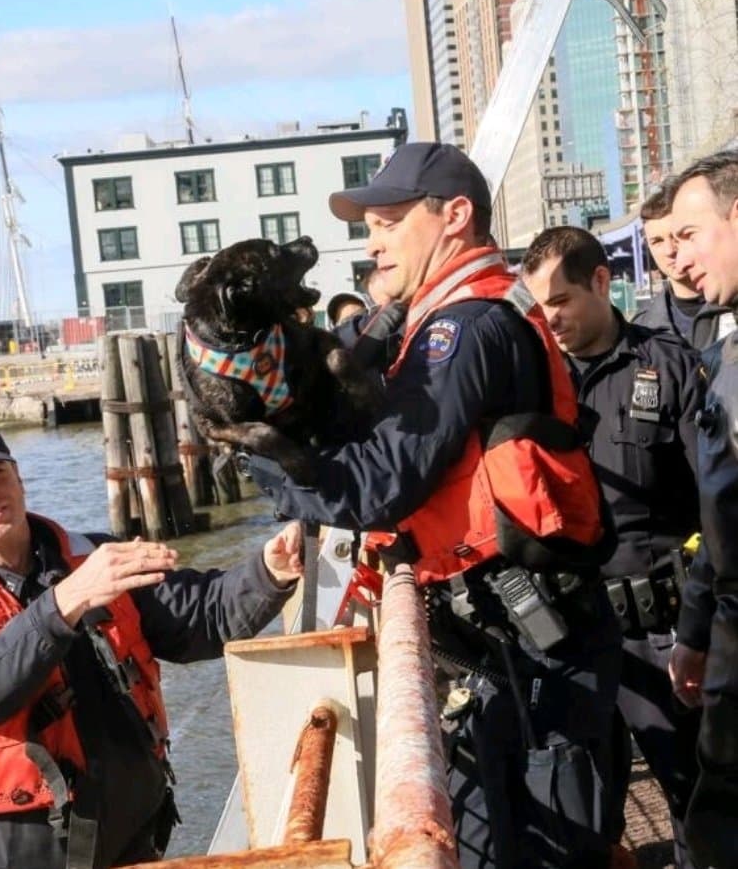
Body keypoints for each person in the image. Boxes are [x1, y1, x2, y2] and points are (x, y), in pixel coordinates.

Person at [247, 141, 622, 867]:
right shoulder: (443, 317)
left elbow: (386, 479)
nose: (372, 240)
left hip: (534, 647)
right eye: (369, 226)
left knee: (546, 848)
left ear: (454, 216)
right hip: (507, 640)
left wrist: (263, 458)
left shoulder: (464, 326)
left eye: (387, 221)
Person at [0, 415, 302, 869]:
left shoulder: (94, 557)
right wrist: (67, 600)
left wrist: (269, 572)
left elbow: (202, 616)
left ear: (18, 477)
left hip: (134, 846)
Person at [522, 225, 704, 868]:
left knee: (693, 803)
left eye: (562, 300)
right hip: (570, 636)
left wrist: (701, 631)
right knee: (580, 817)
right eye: (540, 307)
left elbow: (720, 510)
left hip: (660, 634)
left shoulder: (673, 370)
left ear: (601, 282)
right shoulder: (534, 388)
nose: (552, 319)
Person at [668, 149, 738, 869]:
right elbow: (720, 513)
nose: (676, 258)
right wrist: (695, 629)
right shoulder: (722, 349)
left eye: (689, 234)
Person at [633, 185, 734, 347]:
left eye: (676, 237)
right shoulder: (642, 325)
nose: (670, 250)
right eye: (657, 241)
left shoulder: (731, 300)